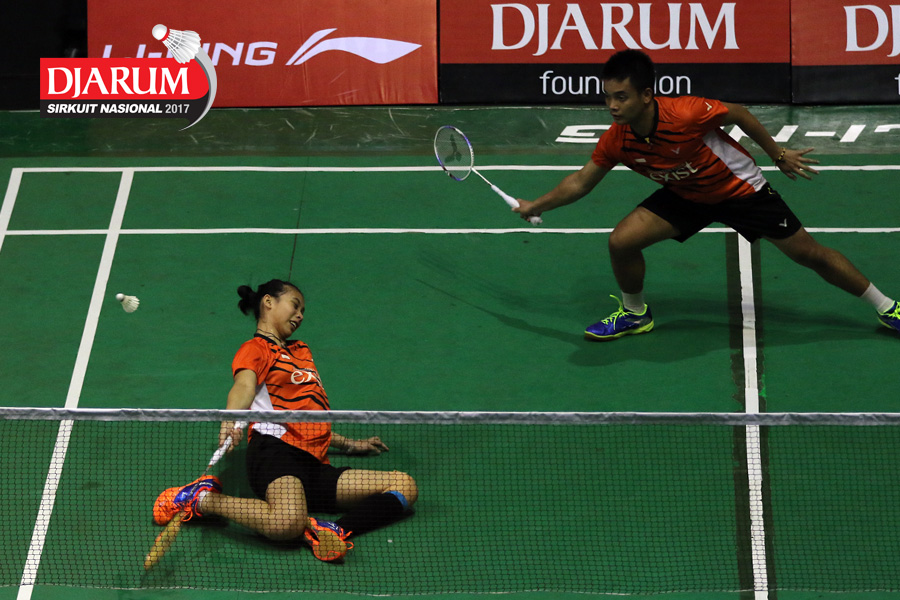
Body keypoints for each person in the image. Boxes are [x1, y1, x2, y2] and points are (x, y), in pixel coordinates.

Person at [513, 50, 900, 341]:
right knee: (621, 241)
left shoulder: (685, 114)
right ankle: (635, 314)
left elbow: (738, 113)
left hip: (739, 189)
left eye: (621, 97)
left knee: (808, 254)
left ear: (646, 95)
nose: (612, 106)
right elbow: (582, 181)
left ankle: (887, 307)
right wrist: (536, 205)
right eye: (608, 97)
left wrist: (777, 154)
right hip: (687, 194)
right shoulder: (618, 140)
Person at [152, 279, 418, 562]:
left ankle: (330, 531)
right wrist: (231, 418)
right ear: (268, 302)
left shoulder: (301, 351)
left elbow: (306, 416)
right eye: (295, 305)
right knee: (286, 524)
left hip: (315, 465)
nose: (300, 315)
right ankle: (203, 499)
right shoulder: (256, 348)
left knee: (404, 485)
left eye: (303, 311)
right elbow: (244, 386)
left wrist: (349, 444)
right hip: (276, 453)